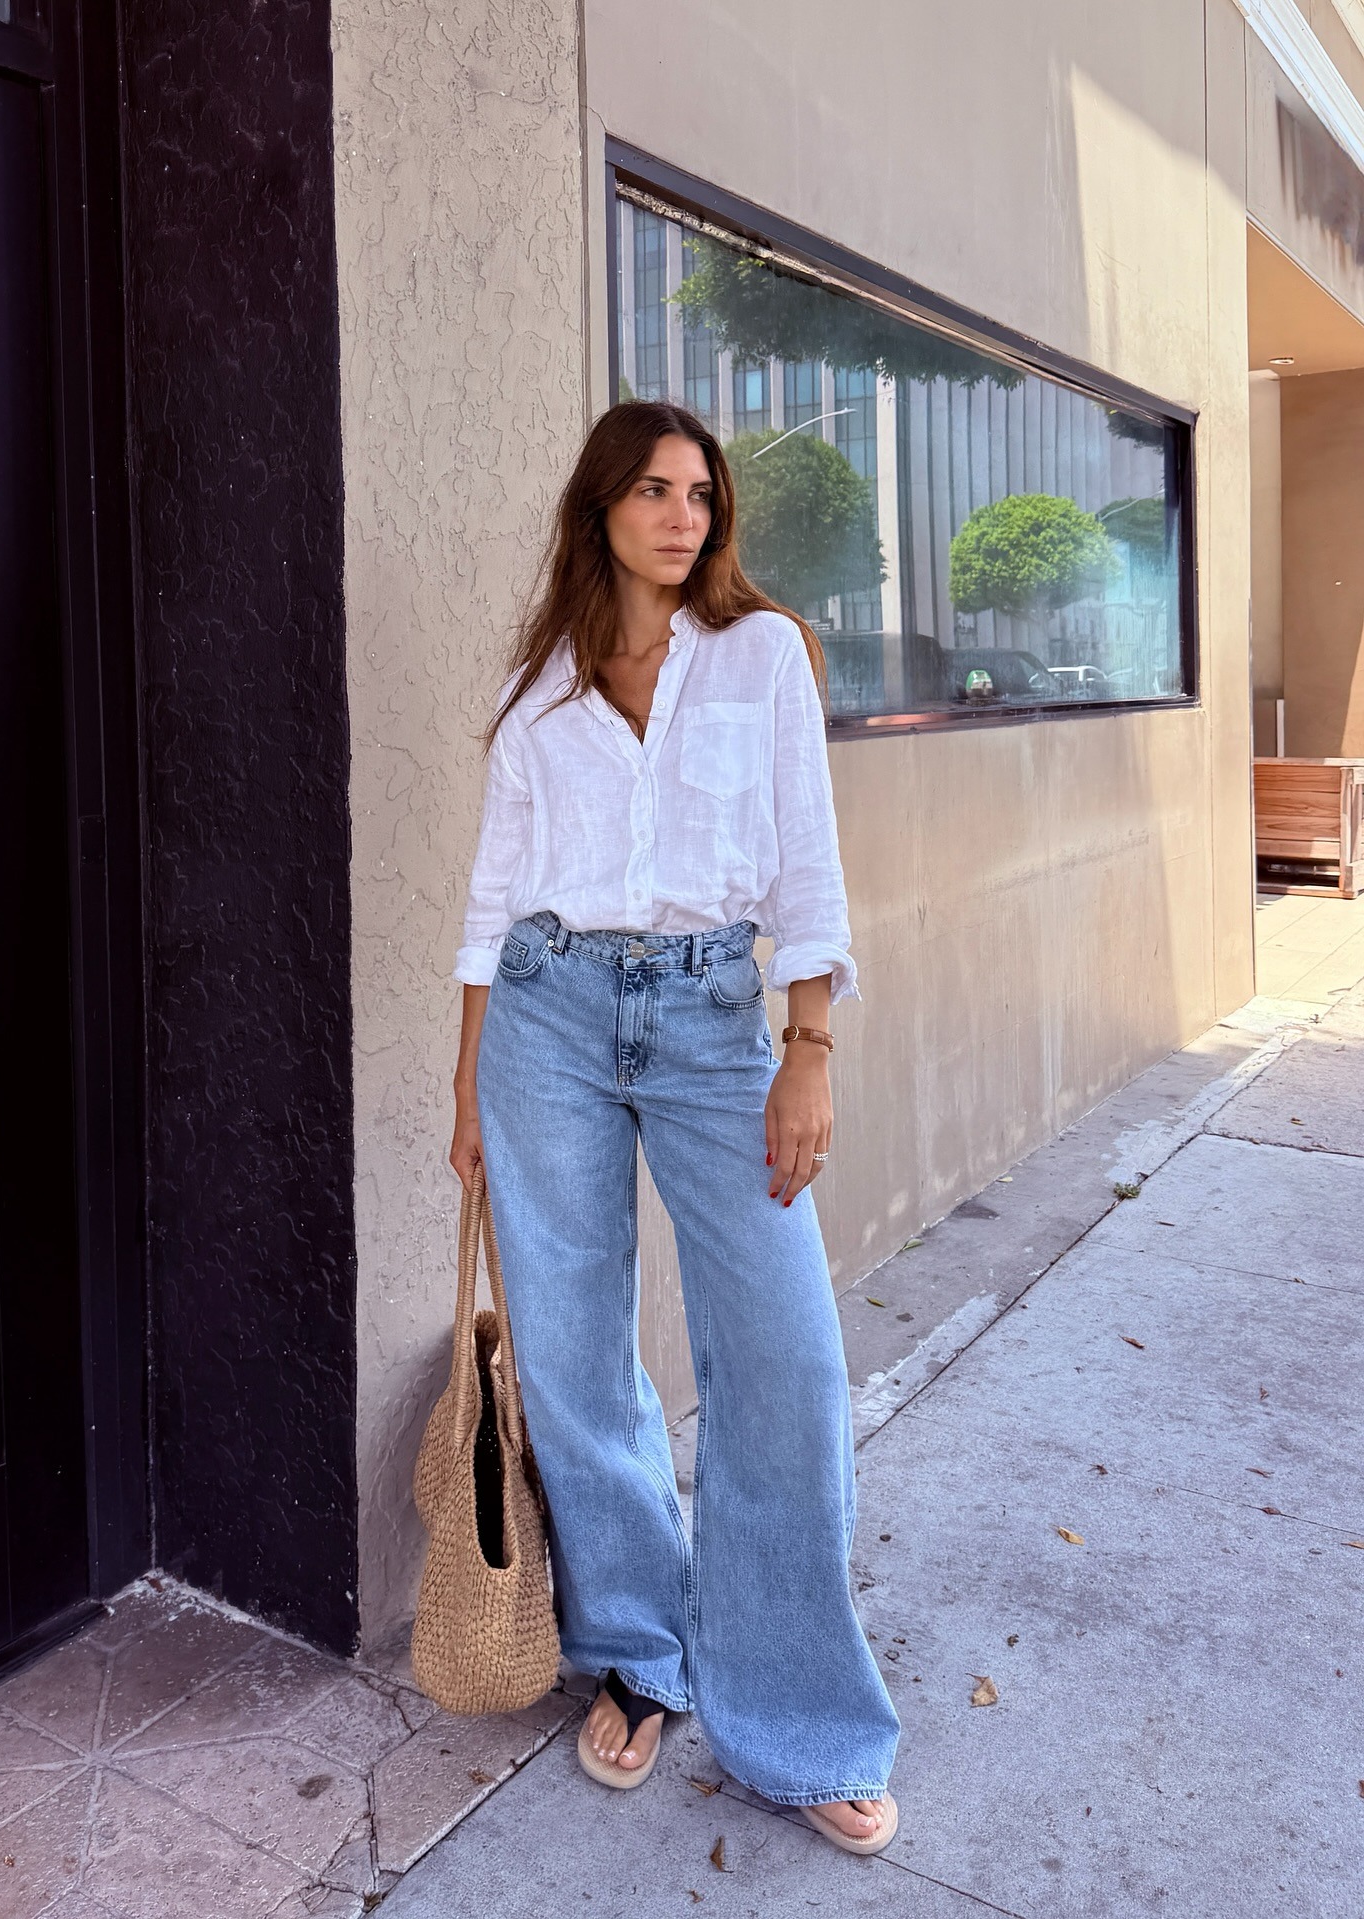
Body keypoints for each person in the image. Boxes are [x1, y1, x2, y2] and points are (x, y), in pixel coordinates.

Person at [449, 400, 900, 1853]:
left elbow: (811, 873)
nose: (681, 515)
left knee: (783, 1360)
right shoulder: (543, 699)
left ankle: (803, 1719)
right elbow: (488, 909)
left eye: (699, 493)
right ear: (602, 511)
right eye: (651, 489)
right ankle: (644, 1658)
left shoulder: (762, 658)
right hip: (547, 1022)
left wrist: (807, 1047)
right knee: (578, 1359)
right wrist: (469, 1084)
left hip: (716, 1026)